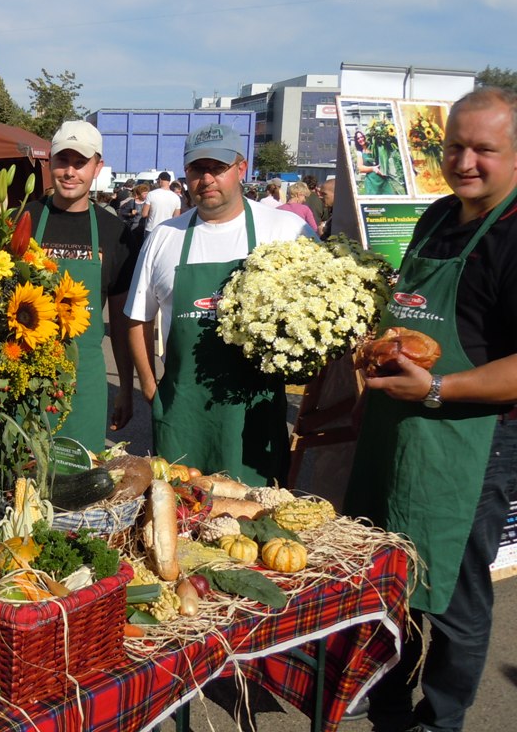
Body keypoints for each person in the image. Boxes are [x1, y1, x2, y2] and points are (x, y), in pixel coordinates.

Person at [345, 86, 517, 732]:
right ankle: (387, 706)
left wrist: (439, 389)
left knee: (455, 597)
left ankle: (440, 720)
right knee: (390, 580)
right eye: (454, 147)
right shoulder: (438, 218)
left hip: (471, 445)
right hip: (400, 431)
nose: (466, 160)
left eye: (484, 149)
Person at [125, 123, 315, 486]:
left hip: (253, 424)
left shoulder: (287, 231)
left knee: (254, 526)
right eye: (197, 169)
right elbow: (138, 319)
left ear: (241, 169)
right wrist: (151, 390)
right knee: (178, 525)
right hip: (182, 420)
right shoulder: (166, 237)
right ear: (186, 173)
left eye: (218, 168)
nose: (207, 178)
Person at [22, 120, 137, 453]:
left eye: (80, 163)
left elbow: (120, 322)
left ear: (97, 167)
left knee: (81, 477)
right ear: (49, 164)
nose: (70, 172)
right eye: (62, 161)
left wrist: (125, 388)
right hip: (24, 377)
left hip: (84, 382)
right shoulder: (23, 220)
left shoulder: (115, 233)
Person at [354, 128, 404, 196]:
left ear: (365, 137)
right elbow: (360, 168)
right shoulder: (359, 153)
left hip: (382, 177)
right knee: (375, 205)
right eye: (358, 138)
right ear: (357, 141)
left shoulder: (373, 146)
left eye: (362, 137)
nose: (360, 139)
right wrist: (373, 168)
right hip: (371, 181)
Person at [144, 171, 180, 238]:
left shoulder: (151, 194)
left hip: (152, 228)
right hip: (167, 230)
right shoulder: (176, 197)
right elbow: (176, 217)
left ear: (160, 180)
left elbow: (144, 214)